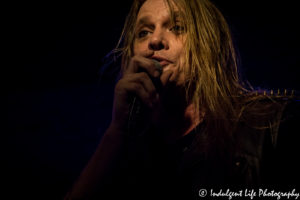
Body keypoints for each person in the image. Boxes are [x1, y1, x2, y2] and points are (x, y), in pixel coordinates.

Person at [65, 0, 299, 199]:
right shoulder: (126, 150)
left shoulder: (270, 125)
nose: (154, 40)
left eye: (177, 27)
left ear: (208, 43)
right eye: (144, 32)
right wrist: (117, 133)